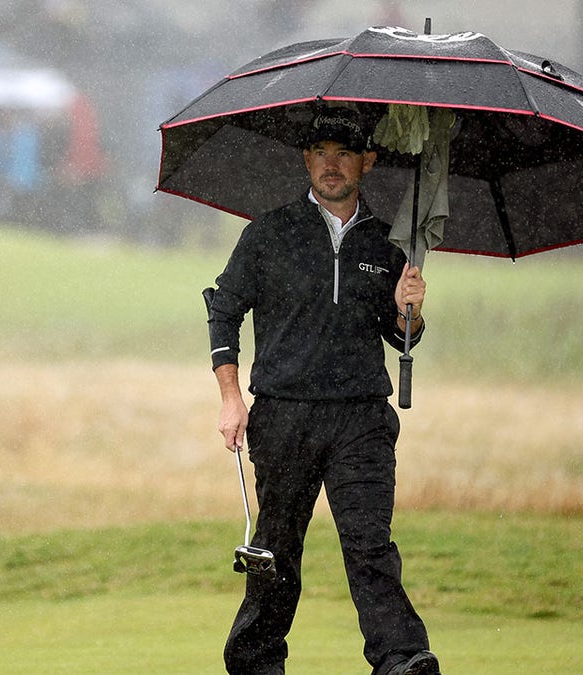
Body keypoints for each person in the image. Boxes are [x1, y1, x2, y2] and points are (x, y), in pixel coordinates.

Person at [205, 107, 438, 675]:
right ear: (307, 160)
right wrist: (231, 397)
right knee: (277, 549)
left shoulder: (390, 246)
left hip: (361, 419)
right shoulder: (268, 234)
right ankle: (256, 661)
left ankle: (401, 659)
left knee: (370, 547)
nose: (331, 165)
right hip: (284, 415)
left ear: (368, 161)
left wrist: (410, 312)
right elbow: (223, 312)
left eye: (344, 153)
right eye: (321, 153)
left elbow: (400, 336)